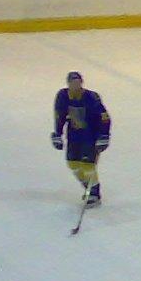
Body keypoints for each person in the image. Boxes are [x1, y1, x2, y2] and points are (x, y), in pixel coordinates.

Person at [52, 72, 111, 208]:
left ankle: (94, 193)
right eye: (73, 83)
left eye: (78, 82)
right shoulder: (62, 96)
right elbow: (59, 115)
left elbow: (104, 117)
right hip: (73, 135)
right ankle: (88, 185)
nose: (76, 85)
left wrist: (104, 135)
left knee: (88, 165)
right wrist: (57, 133)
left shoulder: (91, 97)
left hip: (90, 135)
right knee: (73, 164)